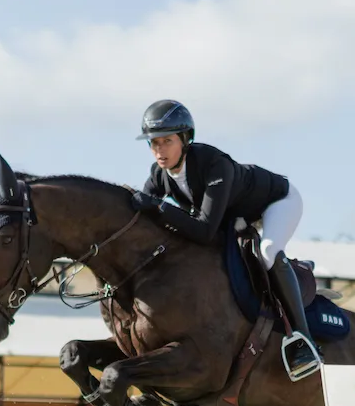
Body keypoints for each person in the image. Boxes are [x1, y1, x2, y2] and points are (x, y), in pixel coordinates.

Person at [130, 99, 321, 382]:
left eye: (166, 141)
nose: (159, 150)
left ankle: (304, 341)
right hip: (234, 216)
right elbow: (142, 216)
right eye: (154, 143)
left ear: (185, 139)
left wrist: (160, 208)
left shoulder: (213, 164)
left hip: (276, 202)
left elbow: (205, 229)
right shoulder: (159, 175)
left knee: (267, 252)